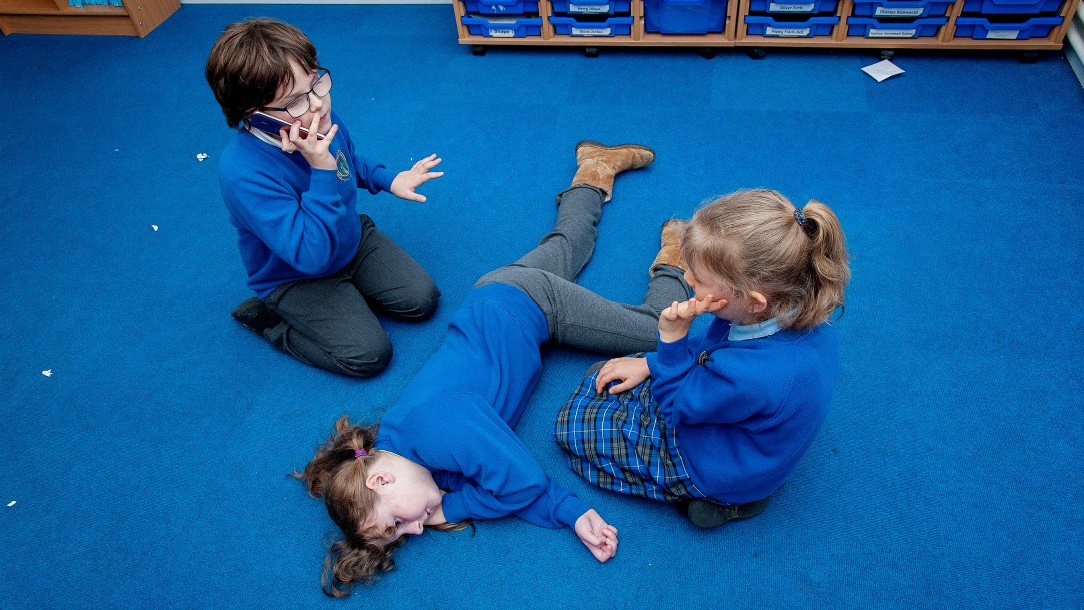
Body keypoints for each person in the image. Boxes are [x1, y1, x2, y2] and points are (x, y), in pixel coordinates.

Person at [295, 141, 693, 597]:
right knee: (568, 244)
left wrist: (456, 506)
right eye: (402, 535)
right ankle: (594, 166)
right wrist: (571, 514)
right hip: (494, 296)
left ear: (381, 478)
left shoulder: (438, 432)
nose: (417, 530)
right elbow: (504, 476)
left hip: (530, 306)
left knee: (653, 334)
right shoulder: (400, 451)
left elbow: (517, 480)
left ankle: (674, 262)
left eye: (398, 522)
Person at [554, 188, 851, 529]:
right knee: (606, 375)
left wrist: (671, 338)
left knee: (571, 428)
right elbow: (714, 349)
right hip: (736, 421)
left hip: (716, 467)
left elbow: (676, 407)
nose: (687, 280)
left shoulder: (753, 374)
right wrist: (651, 363)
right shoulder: (783, 313)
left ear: (753, 301)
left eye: (699, 278)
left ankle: (725, 502)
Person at [205, 18, 442, 378]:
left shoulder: (314, 117)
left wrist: (389, 179)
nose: (318, 104)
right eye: (296, 100)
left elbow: (349, 161)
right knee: (369, 356)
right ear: (257, 118)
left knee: (422, 300)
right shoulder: (242, 173)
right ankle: (273, 321)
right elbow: (310, 256)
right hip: (296, 274)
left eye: (316, 82)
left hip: (350, 239)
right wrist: (319, 167)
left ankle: (348, 296)